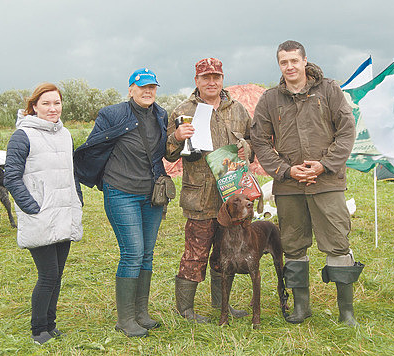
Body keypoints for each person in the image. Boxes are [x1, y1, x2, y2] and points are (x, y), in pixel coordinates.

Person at [251, 40, 364, 327]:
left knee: (338, 243)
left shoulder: (329, 91)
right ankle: (301, 308)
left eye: (294, 61)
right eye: (283, 62)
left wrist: (324, 165)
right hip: (289, 186)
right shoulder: (269, 100)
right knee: (292, 245)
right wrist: (286, 171)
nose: (289, 66)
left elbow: (347, 131)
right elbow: (260, 142)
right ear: (279, 65)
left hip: (327, 182)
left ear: (304, 61)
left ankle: (346, 312)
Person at [74, 68, 168, 337]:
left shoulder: (161, 115)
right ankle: (125, 319)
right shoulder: (112, 114)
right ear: (130, 89)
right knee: (132, 252)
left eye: (152, 87)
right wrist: (101, 179)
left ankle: (141, 313)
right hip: (121, 192)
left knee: (147, 253)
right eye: (142, 87)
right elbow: (94, 147)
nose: (147, 91)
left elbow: (165, 151)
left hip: (151, 195)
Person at [165, 58, 252, 322]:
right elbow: (168, 153)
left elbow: (252, 143)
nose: (211, 82)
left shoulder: (238, 110)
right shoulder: (182, 110)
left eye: (216, 77)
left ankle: (221, 304)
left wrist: (246, 149)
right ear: (196, 81)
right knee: (195, 253)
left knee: (226, 253)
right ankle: (186, 309)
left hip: (231, 198)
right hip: (200, 197)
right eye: (206, 77)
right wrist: (176, 138)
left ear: (222, 78)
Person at [4, 83, 83, 344]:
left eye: (57, 103)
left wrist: (77, 201)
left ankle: (51, 324)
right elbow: (11, 178)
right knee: (47, 275)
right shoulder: (22, 135)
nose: (52, 108)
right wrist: (32, 208)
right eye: (46, 103)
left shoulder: (65, 134)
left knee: (58, 274)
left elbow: (71, 173)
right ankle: (39, 329)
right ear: (34, 106)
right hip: (41, 215)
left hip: (64, 213)